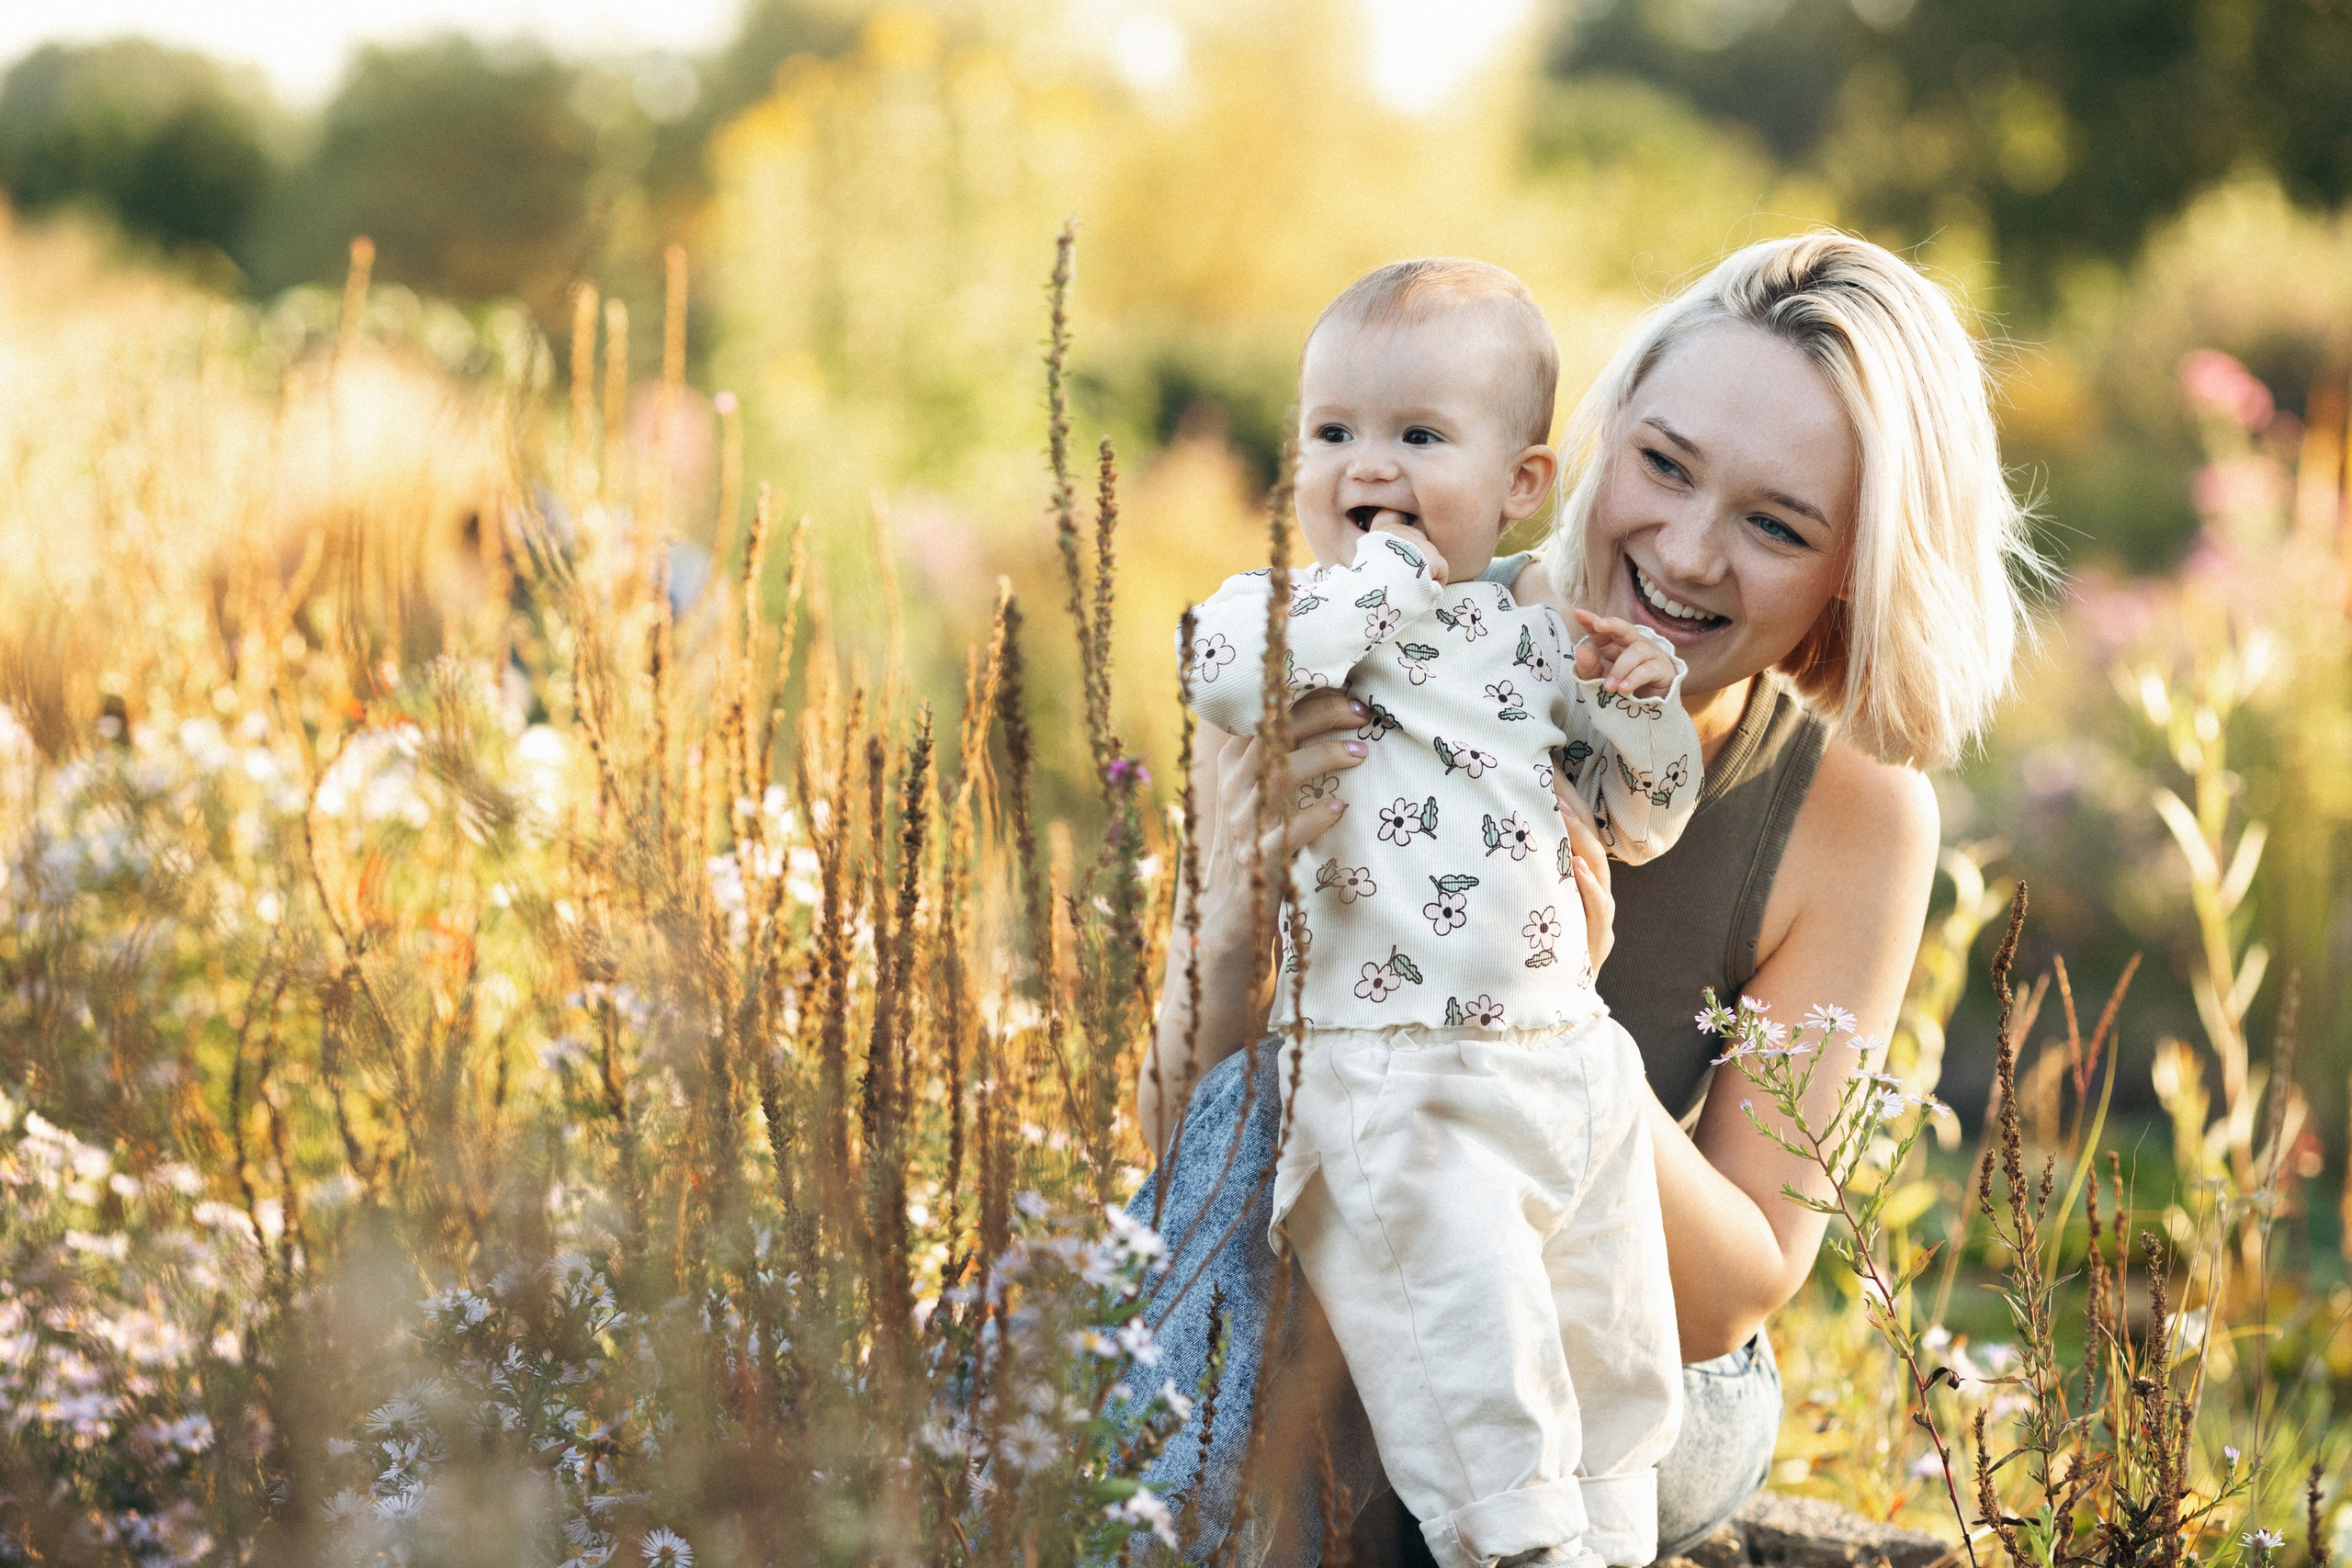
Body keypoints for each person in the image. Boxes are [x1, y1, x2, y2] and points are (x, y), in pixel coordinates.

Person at [1128, 231, 2040, 1568]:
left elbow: (1736, 1290)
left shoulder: (1853, 815)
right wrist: (1223, 919)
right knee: (1298, 1222)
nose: (1688, 552)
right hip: (1343, 1279)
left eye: (1776, 526)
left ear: (1855, 567)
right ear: (1585, 451)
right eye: (1663, 465)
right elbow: (1191, 1169)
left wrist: (1556, 1026)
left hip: (1624, 1345)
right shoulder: (1379, 654)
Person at [1177, 259, 1702, 1568]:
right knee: (1475, 1369)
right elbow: (1223, 673)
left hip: (1565, 1058)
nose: (1369, 465)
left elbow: (1640, 819)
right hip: (1392, 1077)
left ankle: (1612, 1539)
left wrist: (1644, 709)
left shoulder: (1536, 637)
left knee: (1610, 1346)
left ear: (1522, 484)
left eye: (1418, 436)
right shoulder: (1285, 615)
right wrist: (1384, 577)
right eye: (1332, 434)